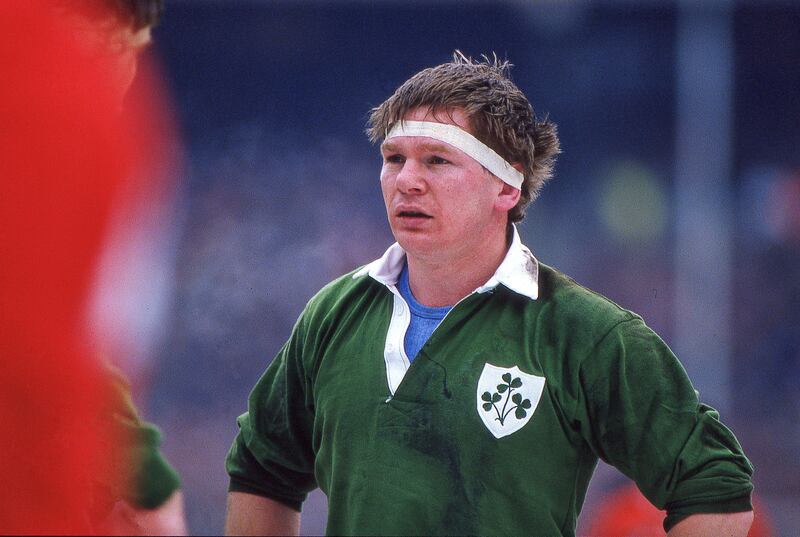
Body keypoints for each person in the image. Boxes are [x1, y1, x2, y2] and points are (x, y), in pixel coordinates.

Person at [224, 52, 754, 536]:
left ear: (507, 186)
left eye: (436, 161)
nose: (406, 180)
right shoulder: (334, 313)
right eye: (393, 158)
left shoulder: (582, 333)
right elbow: (262, 468)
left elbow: (714, 486)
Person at [0, 0, 184, 533]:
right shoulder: (54, 96)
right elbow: (39, 361)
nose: (121, 71)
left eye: (130, 49)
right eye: (102, 41)